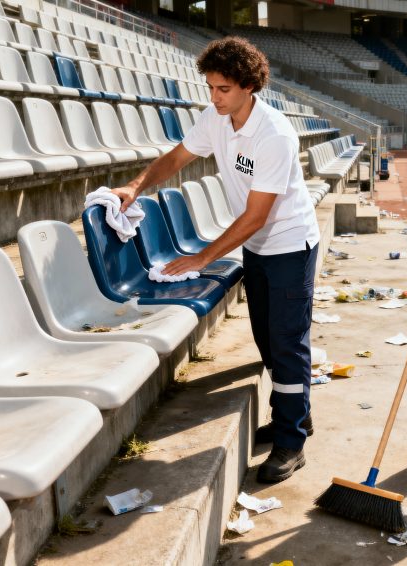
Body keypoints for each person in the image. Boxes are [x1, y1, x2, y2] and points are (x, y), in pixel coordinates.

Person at [111, 37, 320, 484]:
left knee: (286, 343)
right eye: (210, 87)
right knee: (267, 338)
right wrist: (136, 186)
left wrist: (202, 257)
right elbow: (178, 157)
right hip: (257, 246)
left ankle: (291, 442)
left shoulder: (274, 134)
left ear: (248, 85)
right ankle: (295, 417)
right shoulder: (216, 117)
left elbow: (258, 215)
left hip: (287, 243)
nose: (213, 96)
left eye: (222, 88)